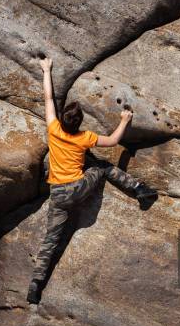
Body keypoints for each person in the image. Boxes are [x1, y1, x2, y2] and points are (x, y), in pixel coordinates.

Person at [27, 57, 157, 304]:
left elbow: (48, 99)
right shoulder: (84, 137)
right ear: (79, 123)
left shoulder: (53, 129)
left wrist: (46, 70)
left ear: (63, 120)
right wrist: (125, 120)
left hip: (58, 194)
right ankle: (140, 189)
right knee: (103, 167)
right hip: (79, 187)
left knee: (50, 240)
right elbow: (113, 141)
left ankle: (36, 284)